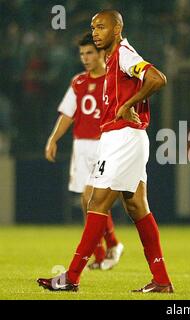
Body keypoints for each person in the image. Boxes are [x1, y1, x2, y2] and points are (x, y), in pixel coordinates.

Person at [38, 10, 173, 293]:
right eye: (93, 27)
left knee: (96, 203)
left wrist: (128, 104)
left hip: (123, 137)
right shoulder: (112, 59)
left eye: (102, 27)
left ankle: (71, 277)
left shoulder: (124, 54)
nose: (96, 31)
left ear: (117, 30)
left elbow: (157, 78)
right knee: (137, 206)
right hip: (125, 138)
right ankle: (161, 279)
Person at [45, 33, 123, 270]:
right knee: (85, 200)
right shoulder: (78, 82)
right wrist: (53, 139)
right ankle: (104, 251)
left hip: (106, 144)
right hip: (82, 146)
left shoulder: (115, 80)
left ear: (101, 53)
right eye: (82, 54)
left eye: (89, 53)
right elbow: (68, 114)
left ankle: (109, 249)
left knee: (92, 196)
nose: (85, 58)